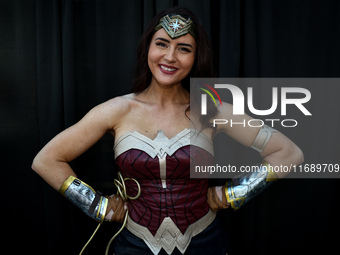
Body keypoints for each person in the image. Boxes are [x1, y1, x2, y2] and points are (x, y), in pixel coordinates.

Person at [32, 6, 304, 255]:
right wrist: (98, 206)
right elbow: (46, 160)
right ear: (147, 48)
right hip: (134, 245)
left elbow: (288, 152)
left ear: (197, 56)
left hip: (205, 244)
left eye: (184, 48)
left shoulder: (214, 111)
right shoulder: (116, 110)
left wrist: (231, 195)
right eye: (161, 44)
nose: (170, 57)